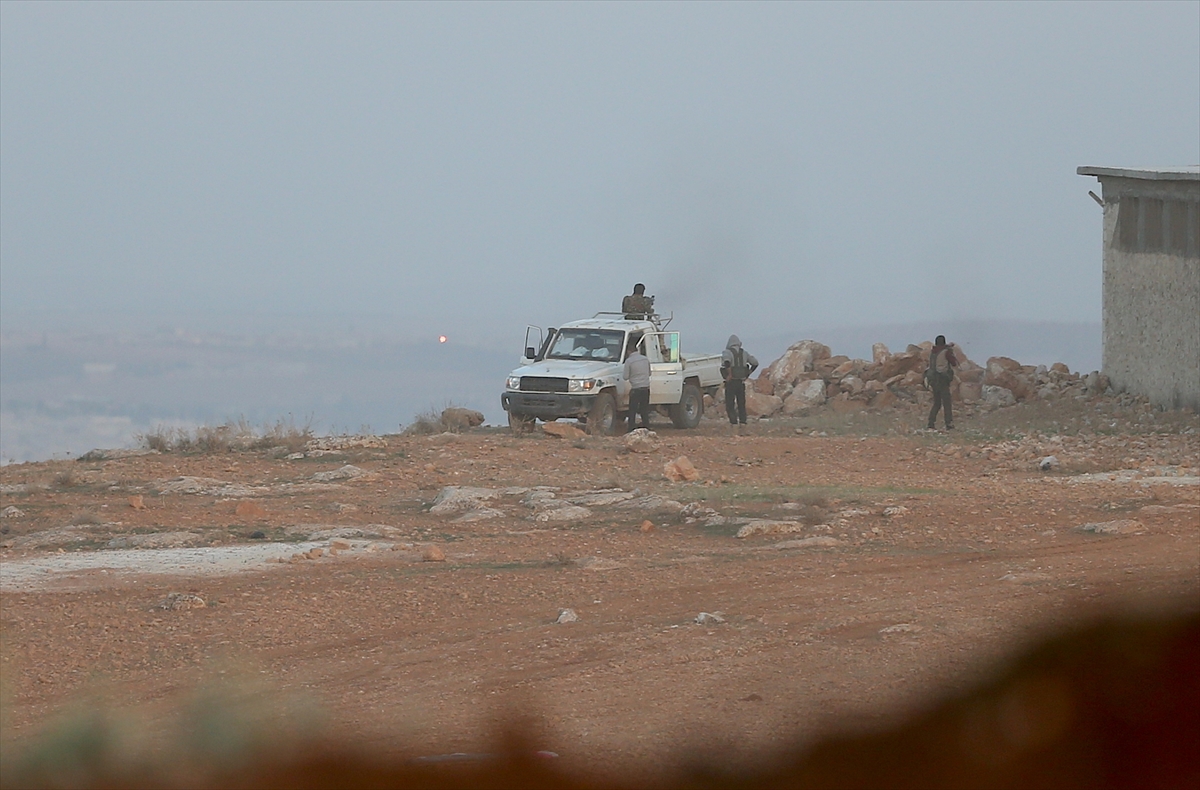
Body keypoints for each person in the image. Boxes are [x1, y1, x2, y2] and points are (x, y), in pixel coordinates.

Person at [721, 334, 758, 426]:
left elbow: (726, 362)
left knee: (730, 404)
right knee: (741, 403)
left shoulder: (727, 352)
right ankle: (743, 421)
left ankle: (733, 422)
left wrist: (729, 374)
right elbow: (755, 363)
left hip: (731, 382)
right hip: (741, 382)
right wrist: (748, 373)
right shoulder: (744, 353)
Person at [925, 334, 959, 430]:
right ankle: (949, 424)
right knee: (947, 402)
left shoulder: (933, 352)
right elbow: (953, 363)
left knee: (937, 403)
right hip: (942, 380)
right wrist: (950, 351)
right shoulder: (946, 352)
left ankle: (931, 423)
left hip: (933, 380)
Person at [623, 341, 652, 432]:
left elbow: (625, 377)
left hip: (636, 389)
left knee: (632, 410)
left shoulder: (629, 361)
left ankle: (631, 428)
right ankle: (646, 427)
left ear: (628, 351)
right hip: (646, 388)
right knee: (644, 410)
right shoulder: (645, 359)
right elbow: (649, 373)